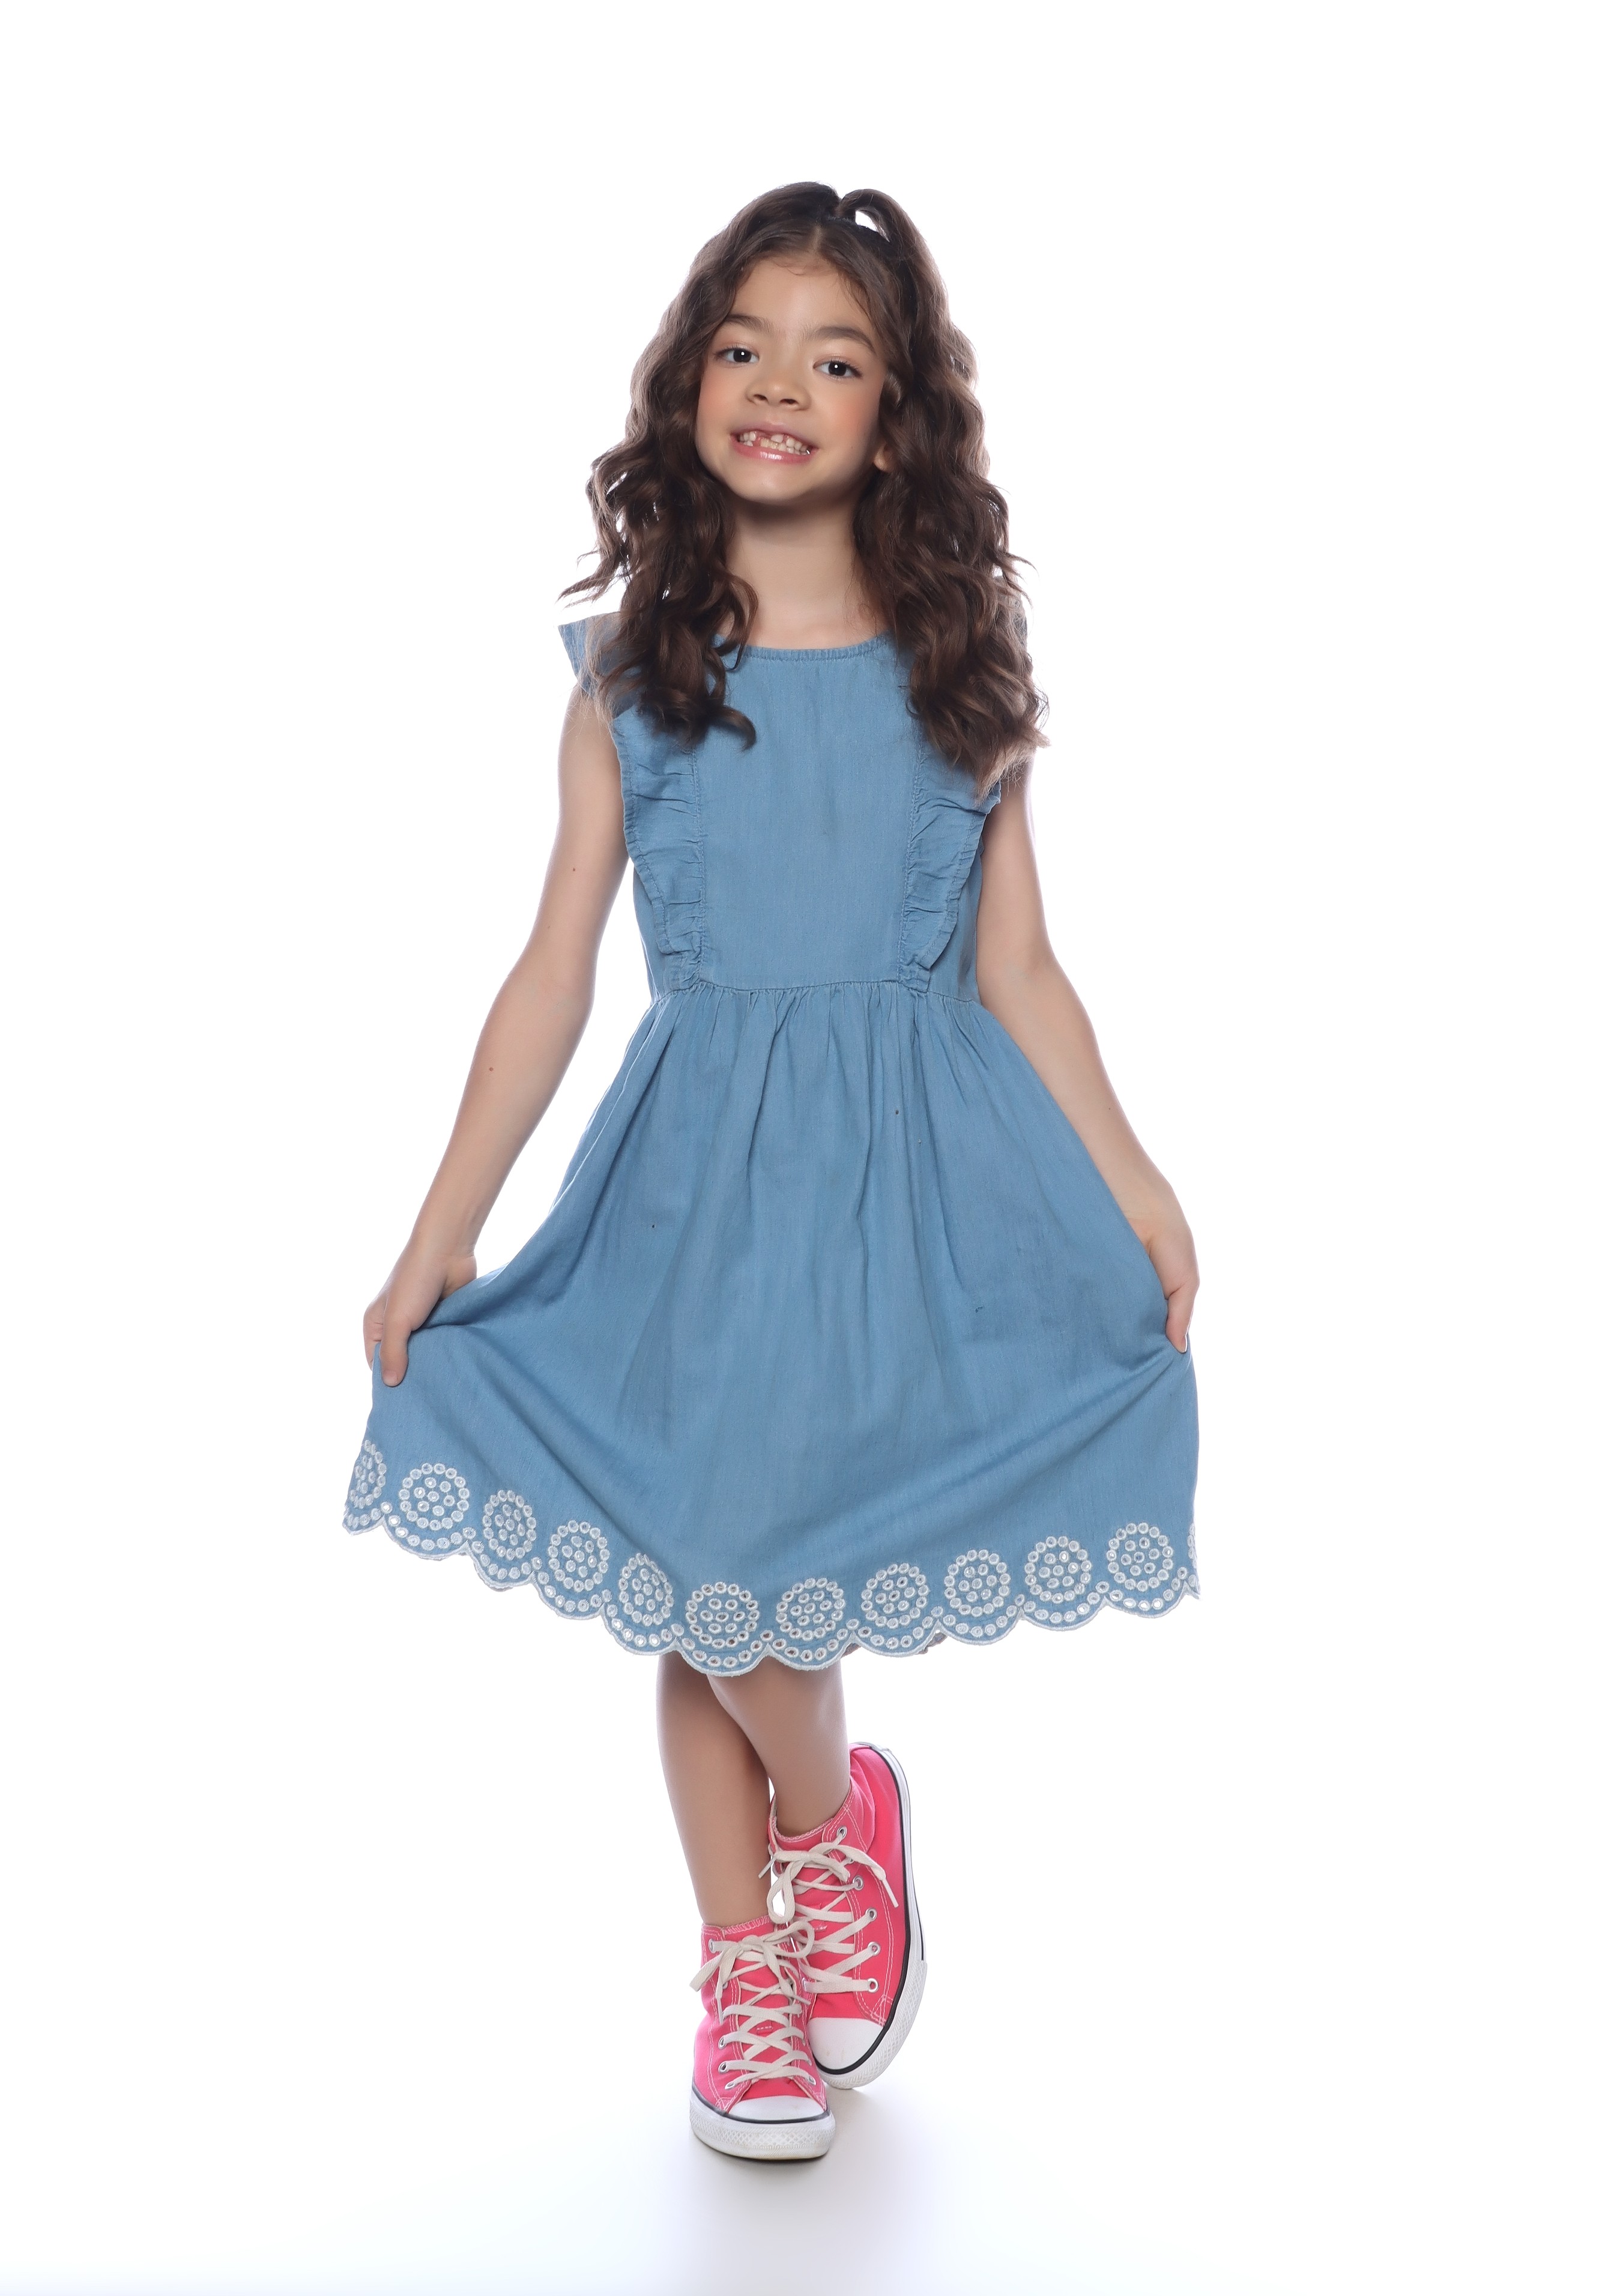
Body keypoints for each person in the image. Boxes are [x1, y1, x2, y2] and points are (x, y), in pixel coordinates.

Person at [346, 183, 1199, 2161]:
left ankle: (813, 1858)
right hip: (694, 1189)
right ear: (687, 382)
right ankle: (771, 1926)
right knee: (699, 1561)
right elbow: (552, 973)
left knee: (736, 1574)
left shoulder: (955, 669)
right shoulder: (633, 680)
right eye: (744, 346)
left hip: (904, 1185)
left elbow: (1019, 972)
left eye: (834, 358)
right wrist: (435, 1239)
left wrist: (1139, 1185)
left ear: (896, 424)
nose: (779, 385)